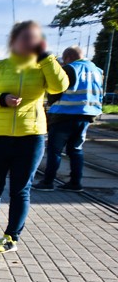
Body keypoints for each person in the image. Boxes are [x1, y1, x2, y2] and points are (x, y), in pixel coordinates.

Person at [0, 21, 69, 253]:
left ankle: (11, 237)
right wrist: (1, 99)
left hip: (30, 136)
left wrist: (46, 58)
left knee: (20, 189)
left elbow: (59, 86)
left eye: (34, 38)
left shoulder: (44, 67)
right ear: (13, 41)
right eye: (25, 37)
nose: (29, 42)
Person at [33, 46, 103, 192]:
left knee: (55, 150)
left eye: (64, 60)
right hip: (86, 115)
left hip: (64, 115)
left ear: (68, 57)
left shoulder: (70, 69)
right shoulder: (97, 70)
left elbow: (56, 91)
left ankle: (48, 182)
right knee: (76, 149)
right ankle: (75, 183)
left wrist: (49, 104)